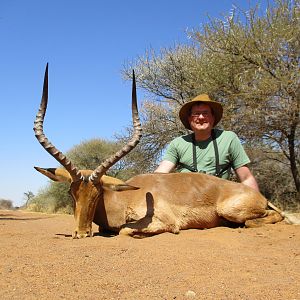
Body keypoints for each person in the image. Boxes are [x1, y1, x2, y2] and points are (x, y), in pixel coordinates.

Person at [154, 94, 259, 192]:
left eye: (205, 113)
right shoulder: (177, 143)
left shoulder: (229, 138)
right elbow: (160, 174)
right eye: (196, 114)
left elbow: (246, 178)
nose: (201, 117)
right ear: (189, 119)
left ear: (213, 118)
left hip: (220, 200)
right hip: (185, 200)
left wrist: (256, 203)